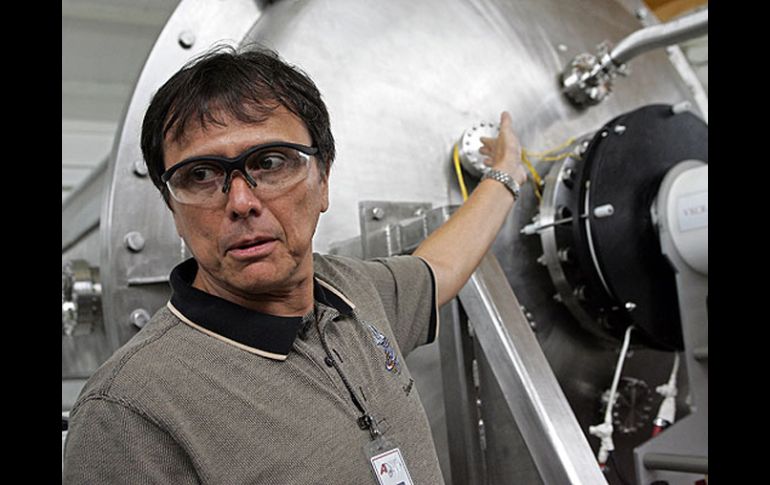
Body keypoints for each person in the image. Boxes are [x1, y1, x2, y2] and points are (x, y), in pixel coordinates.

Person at [62, 45, 527, 484]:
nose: (241, 202)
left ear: (323, 180)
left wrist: (506, 175)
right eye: (200, 175)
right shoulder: (129, 412)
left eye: (269, 162)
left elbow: (439, 265)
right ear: (173, 209)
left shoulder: (353, 292)